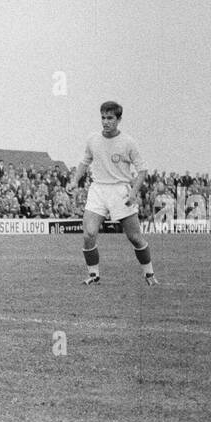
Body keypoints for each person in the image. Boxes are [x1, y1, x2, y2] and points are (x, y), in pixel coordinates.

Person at [70, 101, 157, 286]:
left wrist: (133, 192)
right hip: (98, 189)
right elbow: (84, 162)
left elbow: (142, 170)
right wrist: (74, 181)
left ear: (119, 119)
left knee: (134, 237)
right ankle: (93, 275)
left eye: (110, 118)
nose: (106, 122)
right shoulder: (93, 139)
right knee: (89, 234)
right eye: (103, 117)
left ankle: (149, 274)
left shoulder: (128, 142)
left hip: (120, 190)